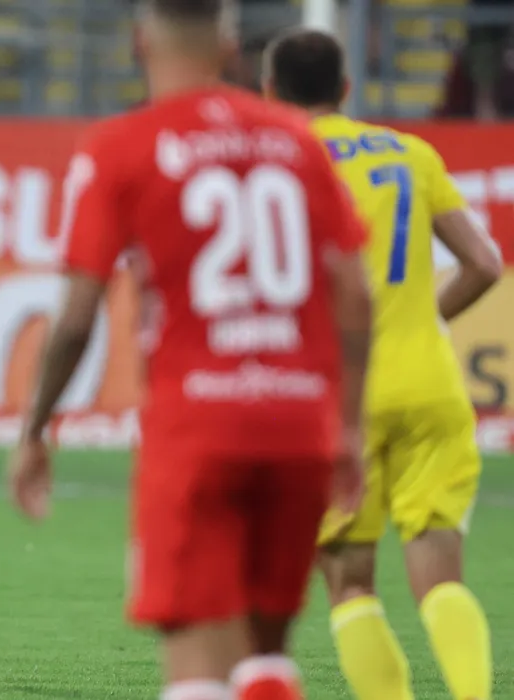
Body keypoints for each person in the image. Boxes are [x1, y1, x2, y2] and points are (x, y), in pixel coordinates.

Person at [7, 2, 374, 699]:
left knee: (196, 660)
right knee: (265, 655)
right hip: (299, 423)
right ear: (230, 47)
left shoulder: (121, 146)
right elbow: (354, 298)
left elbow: (78, 318)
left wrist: (34, 430)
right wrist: (349, 427)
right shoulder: (295, 141)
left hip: (197, 427)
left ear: (140, 42)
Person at [263, 28, 500, 700]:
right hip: (429, 383)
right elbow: (484, 264)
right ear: (346, 88)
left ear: (270, 91)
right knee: (441, 578)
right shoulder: (410, 153)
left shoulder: (278, 164)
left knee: (350, 582)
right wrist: (425, 320)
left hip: (340, 397)